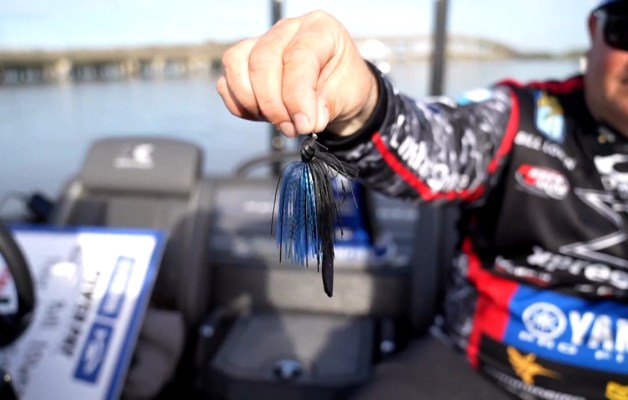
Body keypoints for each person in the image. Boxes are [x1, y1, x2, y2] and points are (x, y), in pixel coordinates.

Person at [217, 0, 628, 398]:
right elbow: (432, 137)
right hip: (476, 366)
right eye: (625, 29)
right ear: (594, 30)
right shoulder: (519, 116)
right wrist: (363, 108)